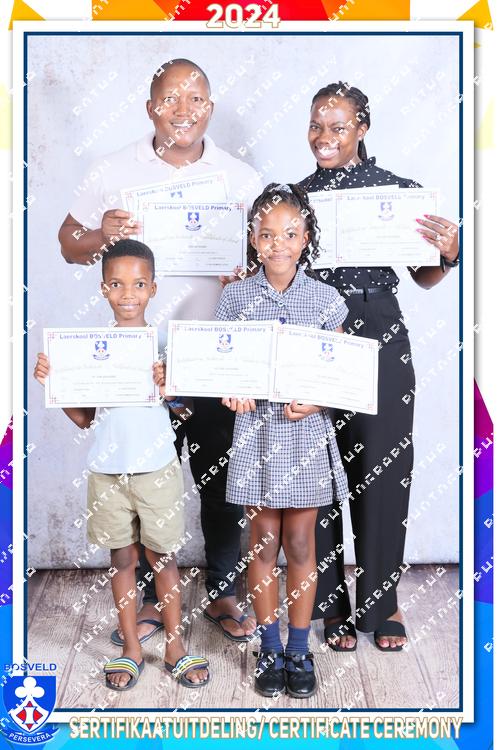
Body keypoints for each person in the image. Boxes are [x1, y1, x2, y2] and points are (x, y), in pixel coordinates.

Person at [58, 58, 262, 644]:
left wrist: (248, 269)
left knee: (220, 480)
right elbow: (68, 243)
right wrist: (101, 234)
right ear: (151, 107)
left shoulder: (240, 178)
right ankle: (150, 598)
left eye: (195, 98)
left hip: (214, 351)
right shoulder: (113, 169)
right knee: (139, 475)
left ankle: (223, 589)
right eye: (170, 98)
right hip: (136, 356)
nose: (183, 110)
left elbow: (272, 254)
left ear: (210, 108)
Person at [298, 82, 459, 652]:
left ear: (362, 128)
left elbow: (424, 275)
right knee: (313, 470)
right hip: (312, 329)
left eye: (337, 127)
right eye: (316, 125)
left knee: (383, 468)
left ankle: (381, 602)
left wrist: (449, 253)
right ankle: (330, 604)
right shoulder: (295, 198)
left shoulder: (398, 192)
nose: (324, 137)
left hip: (378, 324)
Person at [34, 239, 209, 690]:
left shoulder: (165, 344)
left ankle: (174, 646)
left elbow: (186, 412)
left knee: (163, 557)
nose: (127, 293)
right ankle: (131, 647)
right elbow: (83, 418)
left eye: (138, 284)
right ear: (103, 288)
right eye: (116, 284)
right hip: (108, 472)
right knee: (123, 558)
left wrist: (171, 389)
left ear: (153, 288)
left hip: (157, 469)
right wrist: (56, 384)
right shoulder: (92, 349)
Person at [215, 183, 350, 698]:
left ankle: (298, 646)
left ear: (305, 238)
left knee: (299, 543)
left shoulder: (326, 299)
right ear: (253, 239)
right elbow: (223, 364)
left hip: (304, 433)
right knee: (263, 543)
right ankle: (269, 646)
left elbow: (341, 372)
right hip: (257, 432)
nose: (278, 244)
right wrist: (232, 391)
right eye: (267, 234)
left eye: (290, 234)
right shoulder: (235, 297)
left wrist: (317, 401)